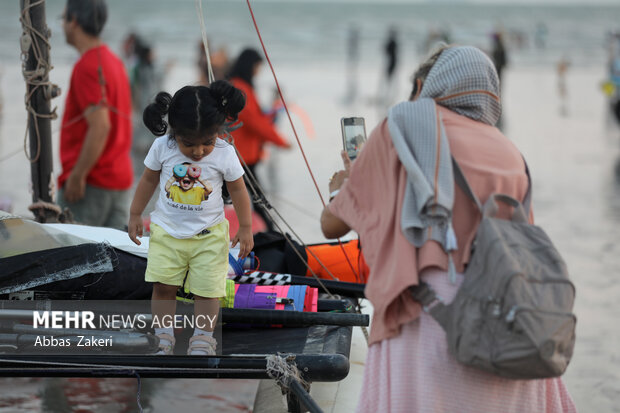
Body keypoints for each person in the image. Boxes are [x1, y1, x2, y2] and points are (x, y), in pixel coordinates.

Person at [321, 45, 576, 412]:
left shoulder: (404, 126)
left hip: (431, 315)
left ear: (433, 83)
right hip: (510, 323)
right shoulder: (510, 151)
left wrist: (344, 186)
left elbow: (332, 225)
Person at [128, 81, 254, 355]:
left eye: (207, 142)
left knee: (208, 291)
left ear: (218, 132)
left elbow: (238, 189)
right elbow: (148, 180)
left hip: (209, 235)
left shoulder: (224, 152)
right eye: (189, 144)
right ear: (175, 133)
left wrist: (245, 227)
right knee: (163, 287)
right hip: (166, 232)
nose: (198, 152)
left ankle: (203, 338)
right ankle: (162, 337)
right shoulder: (163, 147)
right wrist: (135, 213)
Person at [57, 0, 133, 230]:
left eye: (63, 19)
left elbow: (101, 126)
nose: (62, 26)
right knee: (113, 260)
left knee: (71, 256)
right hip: (119, 179)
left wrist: (78, 175)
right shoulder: (114, 61)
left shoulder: (88, 66)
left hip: (92, 183)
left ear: (74, 22)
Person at [227, 48, 291, 230]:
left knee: (255, 197)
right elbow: (253, 121)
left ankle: (270, 232)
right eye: (257, 66)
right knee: (258, 198)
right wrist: (280, 141)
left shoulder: (243, 86)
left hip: (244, 155)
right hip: (240, 156)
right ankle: (273, 234)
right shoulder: (239, 88)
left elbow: (259, 118)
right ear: (249, 65)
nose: (258, 71)